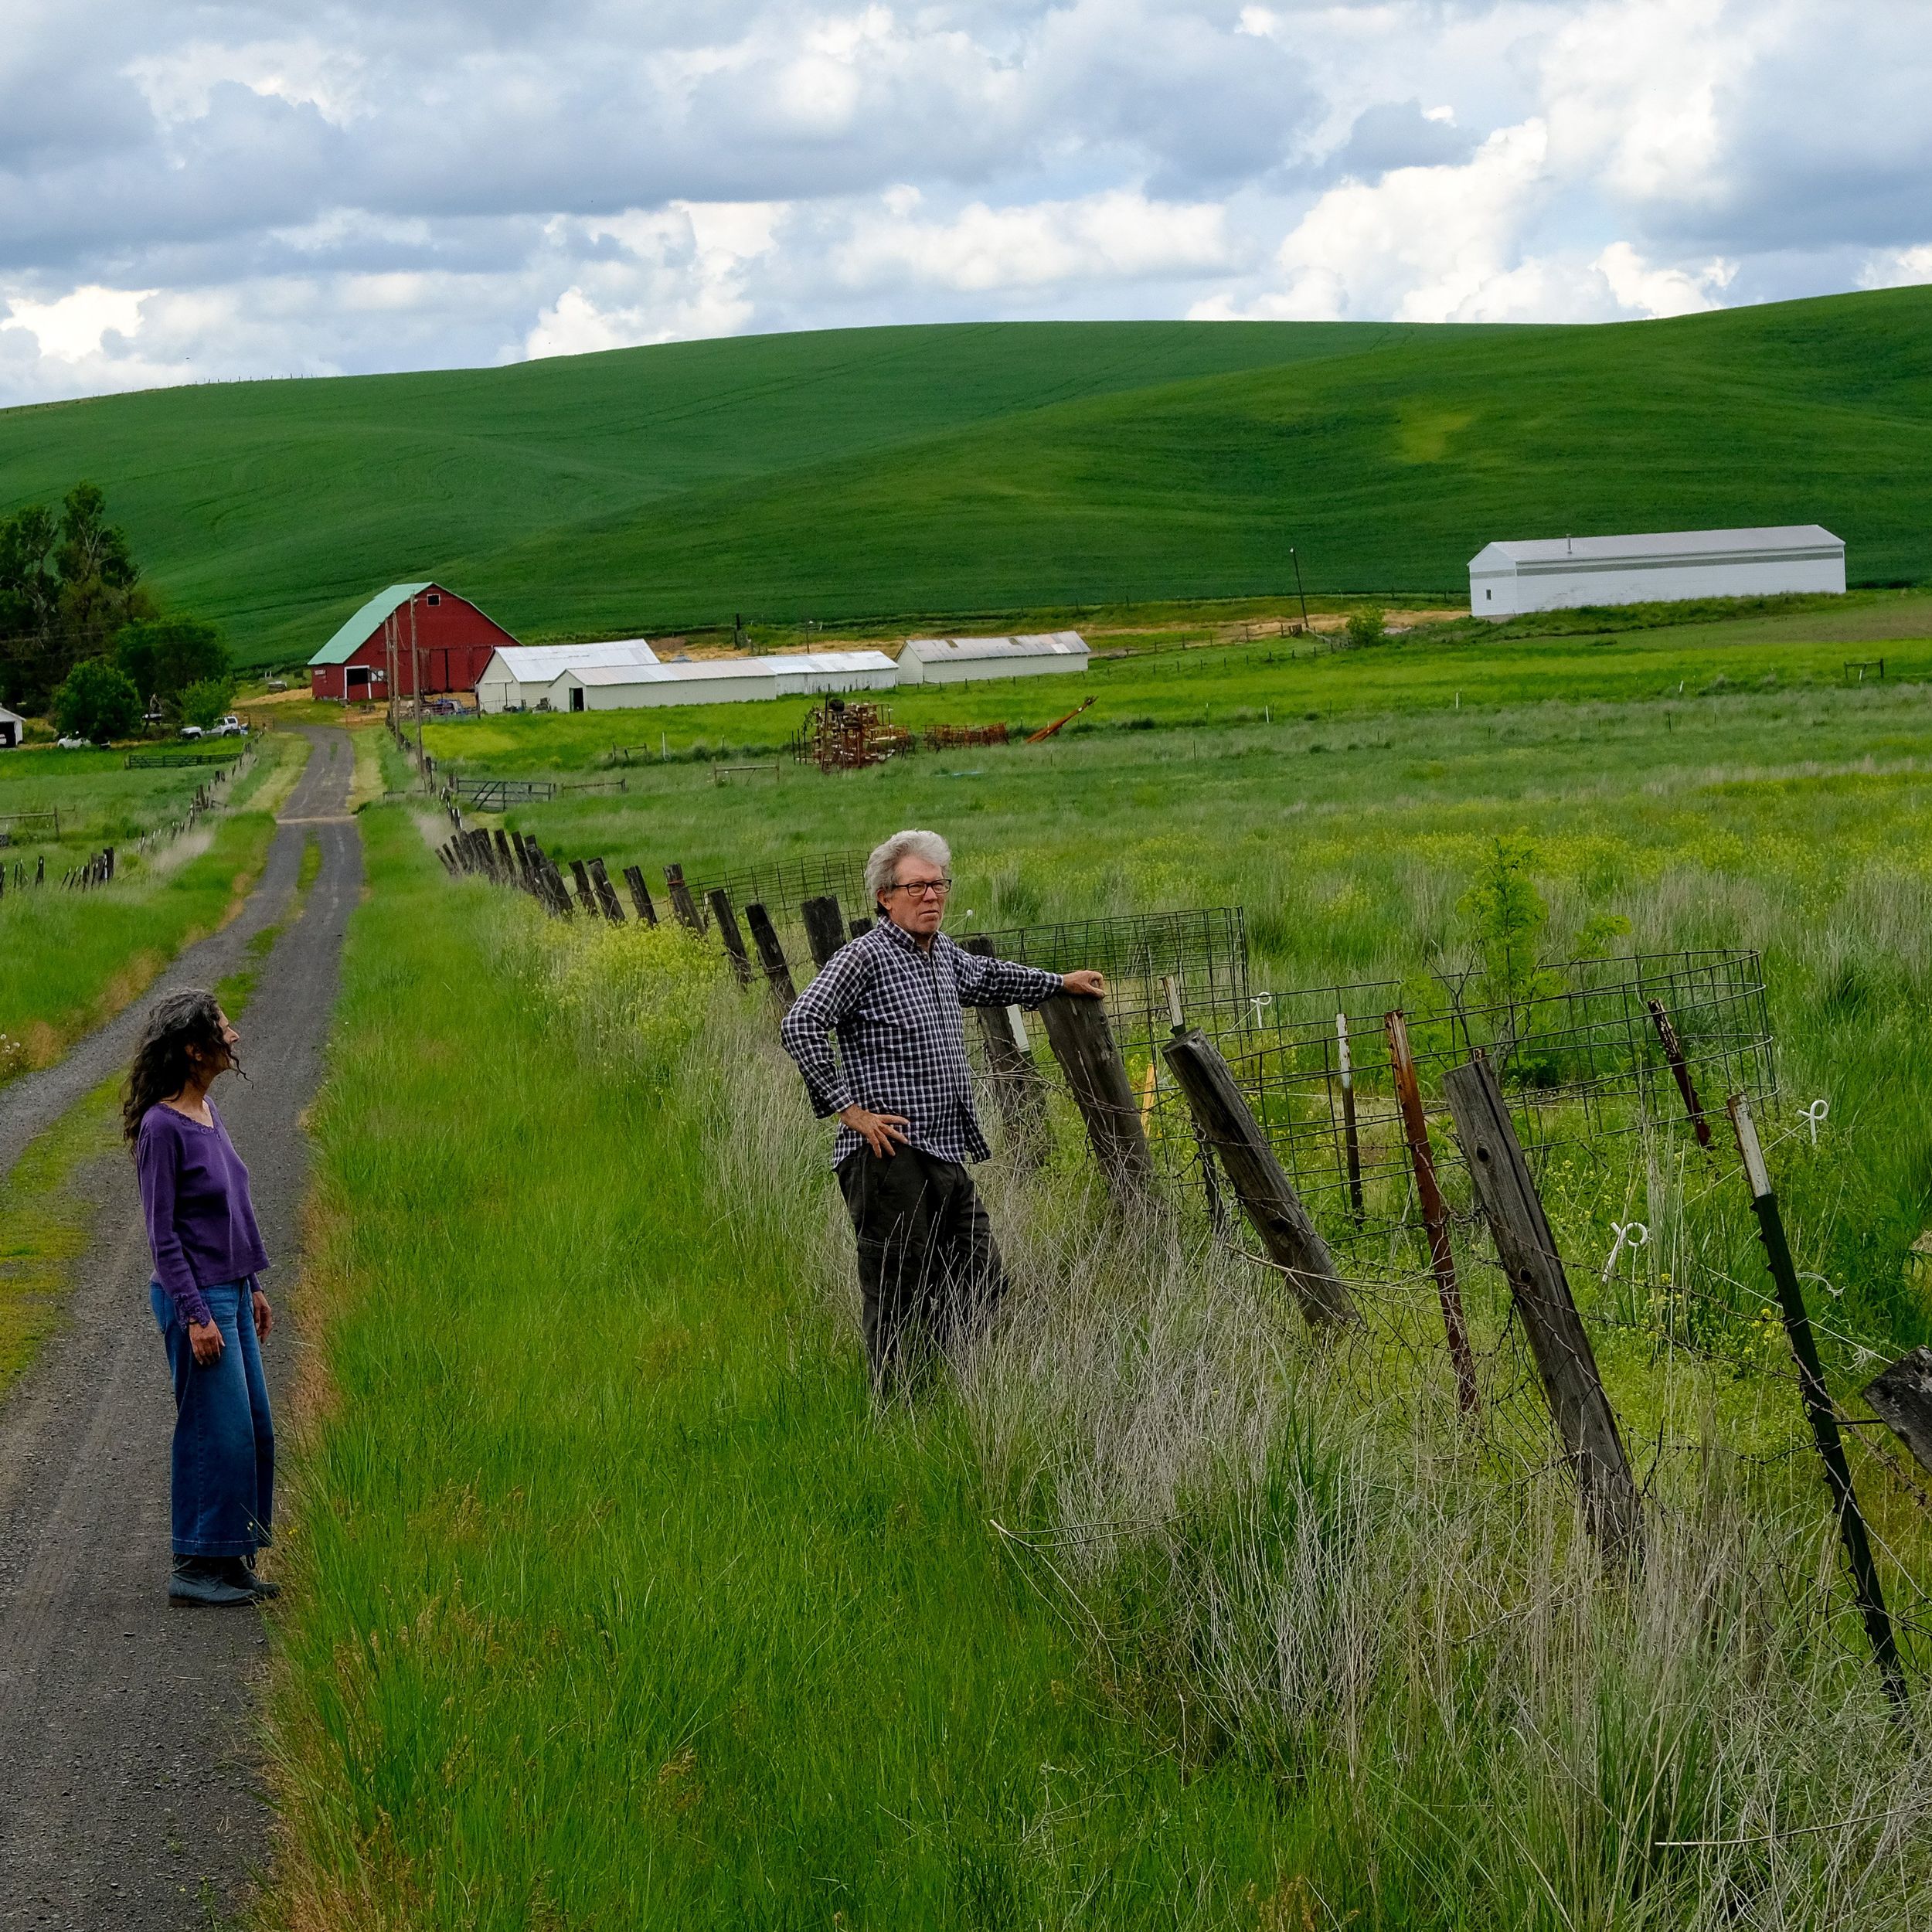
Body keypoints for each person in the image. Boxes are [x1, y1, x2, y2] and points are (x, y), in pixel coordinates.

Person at [780, 829, 1104, 1389]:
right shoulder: (865, 958)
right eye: (917, 886)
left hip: (945, 1146)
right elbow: (800, 1022)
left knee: (978, 1276)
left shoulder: (942, 954)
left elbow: (991, 977)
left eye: (939, 885)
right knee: (897, 1287)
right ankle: (897, 1404)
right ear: (885, 896)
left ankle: (947, 1379)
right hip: (889, 1155)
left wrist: (1059, 982)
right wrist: (848, 1110)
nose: (931, 896)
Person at [125, 989, 277, 1609]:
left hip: (234, 1291)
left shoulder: (209, 1113)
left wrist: (255, 1285)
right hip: (198, 1299)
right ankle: (194, 1565)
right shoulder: (162, 1128)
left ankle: (231, 1557)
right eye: (221, 1029)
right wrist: (196, 1315)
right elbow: (163, 1235)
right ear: (193, 1049)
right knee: (215, 1433)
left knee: (253, 1432)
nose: (233, 1036)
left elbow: (233, 1206)